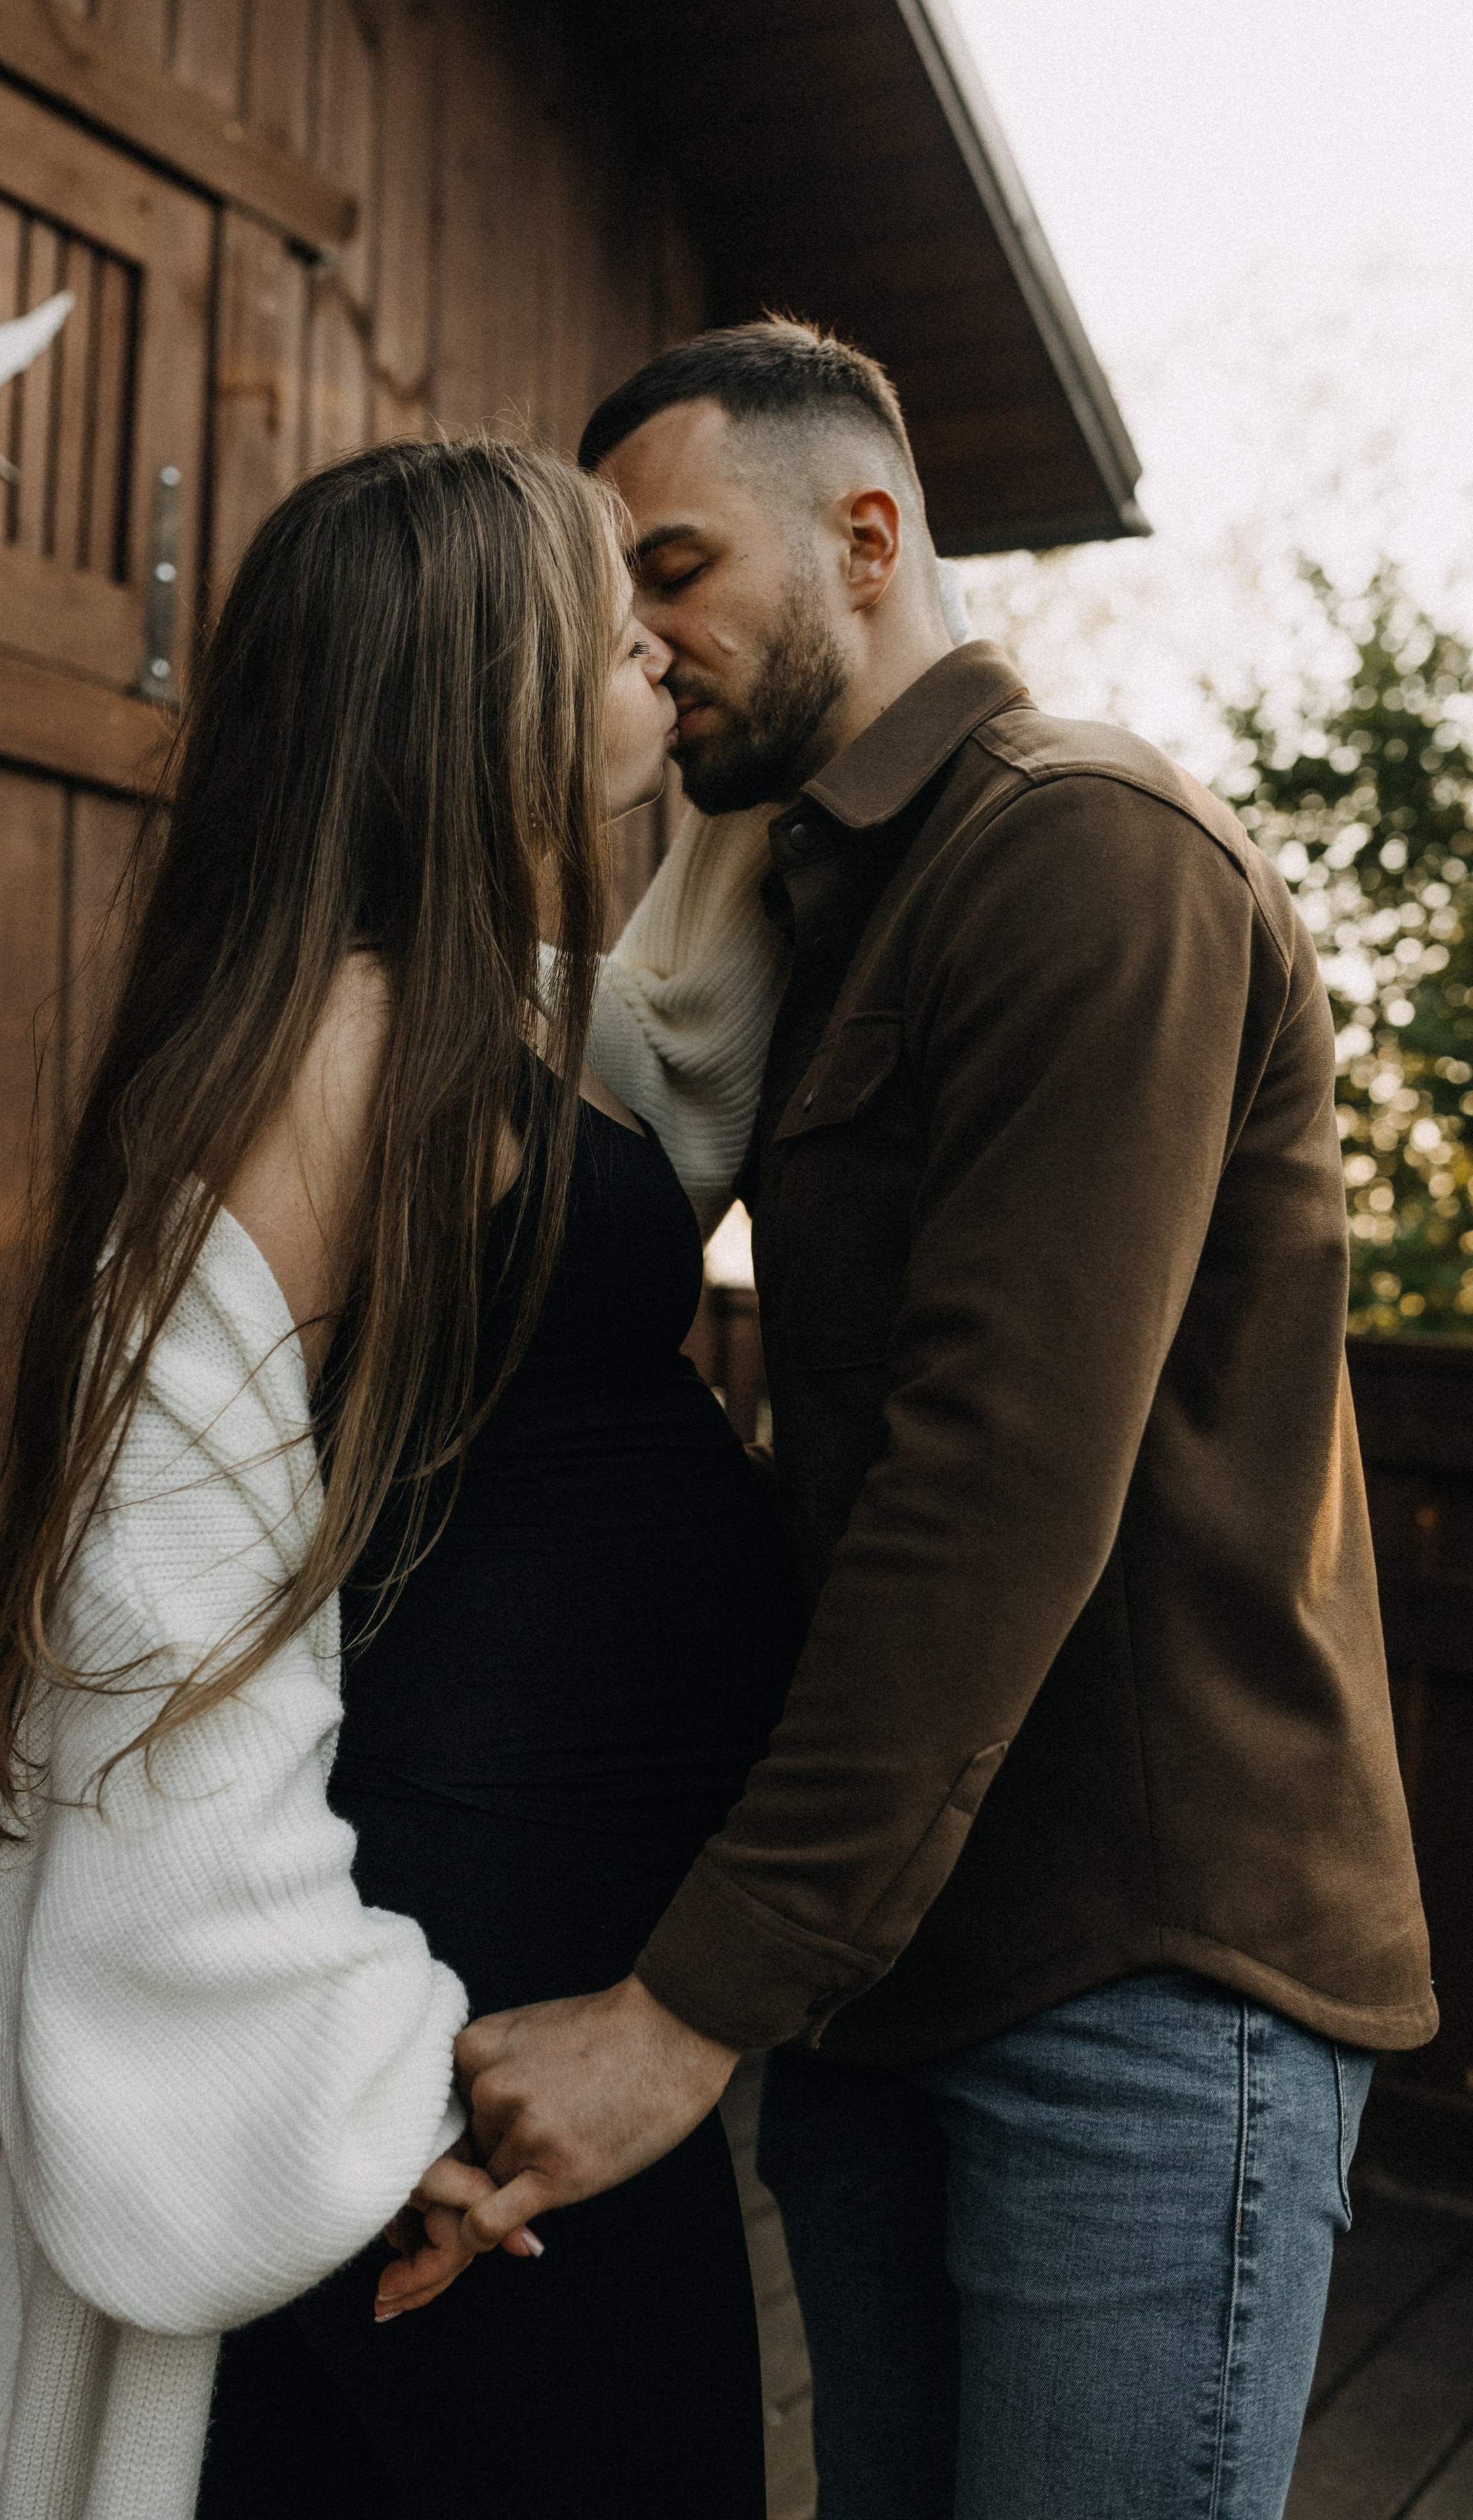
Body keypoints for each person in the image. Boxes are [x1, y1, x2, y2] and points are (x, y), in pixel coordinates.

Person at [447, 324, 1439, 2520]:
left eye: (676, 568)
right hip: (898, 1981)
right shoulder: (824, 906)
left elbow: (993, 1494)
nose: (643, 645)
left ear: (870, 538)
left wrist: (685, 2006)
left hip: (1146, 1985)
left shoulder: (1087, 862)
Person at [0, 436, 802, 2520]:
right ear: (484, 700)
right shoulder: (316, 1060)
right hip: (424, 2013)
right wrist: (347, 2084)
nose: (661, 661)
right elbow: (160, 1606)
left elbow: (675, 1045)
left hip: (569, 1978)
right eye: (618, 633)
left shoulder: (476, 1025)